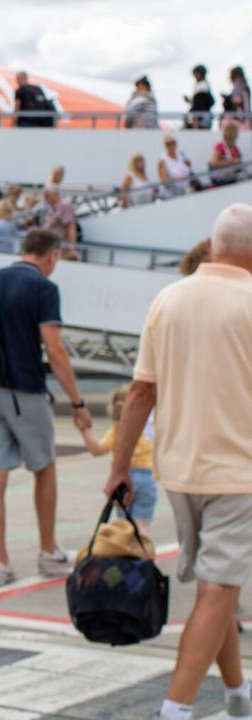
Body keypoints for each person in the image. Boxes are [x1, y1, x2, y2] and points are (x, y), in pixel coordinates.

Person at [104, 204, 252, 720]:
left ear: (212, 247)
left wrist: (119, 467)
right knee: (218, 590)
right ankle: (176, 710)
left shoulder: (167, 299)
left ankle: (237, 694)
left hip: (179, 471)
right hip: (240, 473)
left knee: (217, 588)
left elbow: (141, 392)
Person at [0, 228, 92, 587]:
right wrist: (77, 401)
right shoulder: (44, 289)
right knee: (44, 466)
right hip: (24, 390)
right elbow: (55, 348)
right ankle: (48, 551)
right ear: (50, 256)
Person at [80, 385, 157, 533]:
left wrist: (84, 431)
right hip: (146, 478)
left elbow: (97, 450)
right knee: (142, 525)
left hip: (122, 479)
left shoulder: (116, 431)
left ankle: (126, 553)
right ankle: (142, 553)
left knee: (125, 526)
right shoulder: (147, 427)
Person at [41, 185, 78, 260]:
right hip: (49, 246)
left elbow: (71, 227)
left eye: (47, 195)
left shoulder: (65, 205)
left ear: (55, 195)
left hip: (60, 248)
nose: (45, 198)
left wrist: (72, 248)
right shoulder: (51, 206)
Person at [185, 64, 215, 129]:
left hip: (200, 119)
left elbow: (199, 105)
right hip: (202, 118)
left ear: (199, 74)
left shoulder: (202, 87)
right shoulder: (204, 86)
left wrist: (196, 121)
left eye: (195, 74)